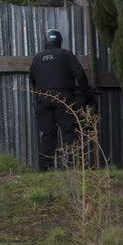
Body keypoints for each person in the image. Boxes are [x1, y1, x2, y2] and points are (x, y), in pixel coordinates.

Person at [29, 28, 91, 171]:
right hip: (64, 98)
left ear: (45, 41)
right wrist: (85, 94)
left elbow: (32, 80)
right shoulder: (65, 54)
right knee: (69, 131)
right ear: (59, 40)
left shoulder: (37, 58)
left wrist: (40, 94)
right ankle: (71, 166)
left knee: (48, 134)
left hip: (43, 98)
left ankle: (45, 168)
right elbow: (80, 75)